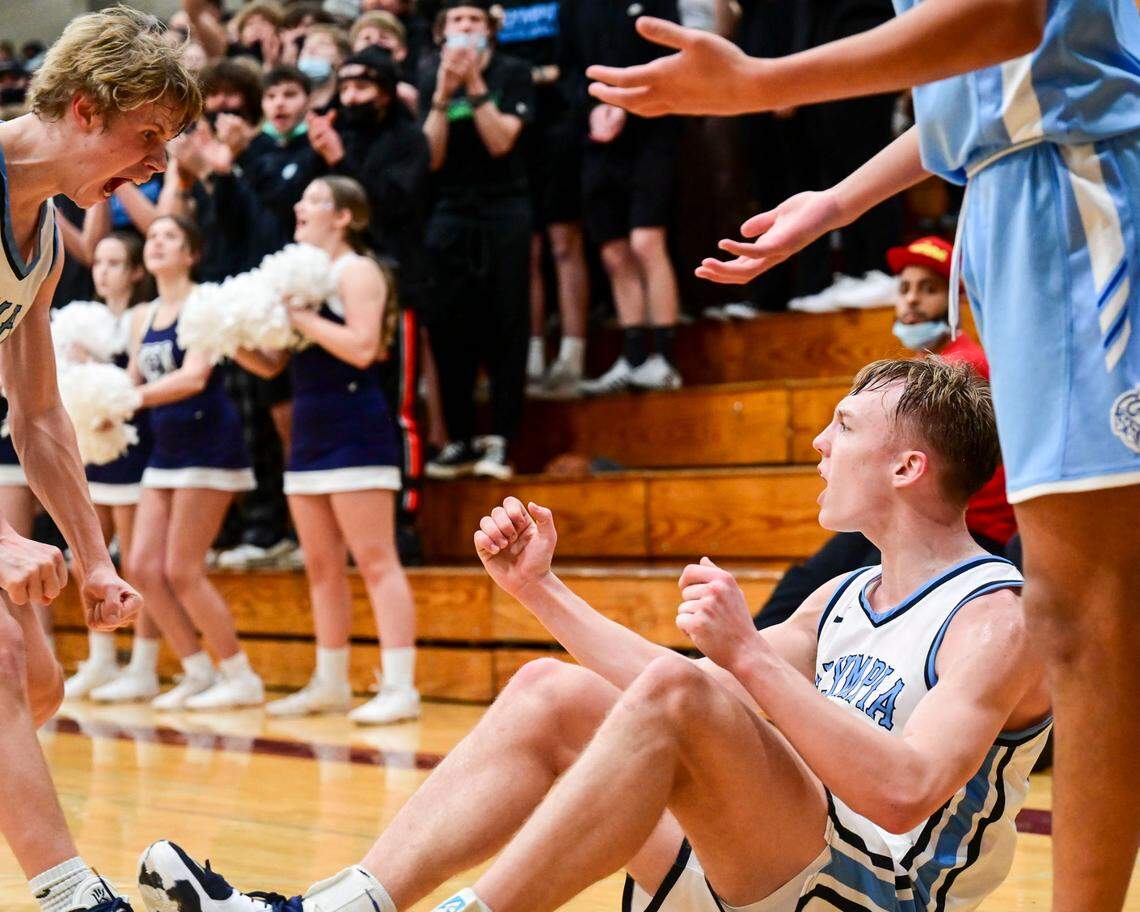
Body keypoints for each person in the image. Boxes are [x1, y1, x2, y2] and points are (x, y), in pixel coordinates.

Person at [136, 357, 1052, 912]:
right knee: (551, 691)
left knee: (691, 688)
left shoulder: (995, 615)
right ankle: (338, 903)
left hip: (873, 895)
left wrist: (739, 659)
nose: (818, 440)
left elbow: (905, 791)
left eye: (843, 425)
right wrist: (543, 591)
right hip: (782, 869)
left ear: (907, 464)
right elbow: (676, 696)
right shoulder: (846, 594)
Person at [586, 4, 1140, 908]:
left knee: (1090, 624)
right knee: (1079, 618)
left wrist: (758, 83)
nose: (820, 445)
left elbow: (1004, 21)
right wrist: (837, 203)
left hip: (1083, 182)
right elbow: (976, 87)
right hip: (1011, 192)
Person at [0, 7, 197, 911]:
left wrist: (95, 558)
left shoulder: (39, 235)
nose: (160, 162)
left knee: (40, 683)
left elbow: (37, 414)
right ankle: (73, 893)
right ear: (84, 106)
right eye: (148, 133)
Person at [756, 235, 1017, 629]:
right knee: (810, 582)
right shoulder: (927, 367)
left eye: (928, 289)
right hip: (908, 509)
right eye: (904, 288)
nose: (911, 300)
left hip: (960, 525)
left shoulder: (961, 369)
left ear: (954, 304)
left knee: (831, 599)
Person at [233, 176, 420, 724]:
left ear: (345, 216)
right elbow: (272, 364)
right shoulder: (303, 282)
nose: (300, 207)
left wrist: (299, 316)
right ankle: (331, 681)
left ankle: (400, 685)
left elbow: (364, 347)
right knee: (319, 566)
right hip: (309, 430)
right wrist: (228, 337)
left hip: (356, 428)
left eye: (315, 200)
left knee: (377, 560)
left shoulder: (357, 270)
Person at [127, 214, 264, 712]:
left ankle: (240, 674)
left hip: (209, 443)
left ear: (192, 253)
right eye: (153, 236)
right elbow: (131, 378)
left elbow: (193, 377)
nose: (158, 243)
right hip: (165, 447)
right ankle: (198, 671)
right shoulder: (141, 316)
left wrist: (129, 399)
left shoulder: (203, 303)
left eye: (171, 237)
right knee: (141, 566)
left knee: (182, 569)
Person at [418, 0, 536, 480]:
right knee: (449, 327)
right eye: (457, 22)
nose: (466, 29)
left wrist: (473, 84)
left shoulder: (514, 72)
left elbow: (501, 140)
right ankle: (461, 438)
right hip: (449, 212)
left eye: (475, 22)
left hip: (505, 208)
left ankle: (502, 439)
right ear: (442, 35)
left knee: (506, 323)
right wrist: (443, 96)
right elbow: (429, 158)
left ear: (489, 32)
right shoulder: (430, 77)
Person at [563, 0, 685, 395]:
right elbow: (568, 69)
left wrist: (625, 106)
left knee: (646, 240)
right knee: (613, 250)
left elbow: (672, 58)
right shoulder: (573, 8)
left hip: (653, 129)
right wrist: (593, 107)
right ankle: (633, 357)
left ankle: (663, 358)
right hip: (597, 137)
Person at [63, 232, 164, 701]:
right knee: (91, 556)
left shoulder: (140, 320)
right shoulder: (82, 319)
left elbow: (135, 385)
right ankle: (101, 658)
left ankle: (143, 664)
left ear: (135, 271)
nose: (103, 271)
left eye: (115, 262)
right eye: (98, 262)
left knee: (135, 563)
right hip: (92, 448)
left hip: (133, 447)